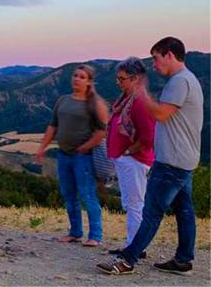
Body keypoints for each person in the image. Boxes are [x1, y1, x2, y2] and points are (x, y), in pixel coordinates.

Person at [97, 37, 203, 276]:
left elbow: (162, 115)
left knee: (151, 211)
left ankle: (127, 259)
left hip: (171, 162)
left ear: (169, 55)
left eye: (156, 58)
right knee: (184, 211)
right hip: (183, 159)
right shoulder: (188, 80)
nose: (153, 64)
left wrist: (143, 95)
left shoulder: (180, 81)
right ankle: (183, 259)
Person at [36, 64, 108, 247]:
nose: (77, 79)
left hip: (82, 157)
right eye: (75, 75)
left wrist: (85, 147)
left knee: (87, 194)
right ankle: (75, 232)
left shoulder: (95, 104)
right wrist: (42, 147)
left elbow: (102, 132)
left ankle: (95, 235)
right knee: (68, 194)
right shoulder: (63, 100)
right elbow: (53, 126)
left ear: (89, 82)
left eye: (82, 77)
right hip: (63, 154)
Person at [106, 57, 155, 257]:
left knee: (135, 203)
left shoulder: (140, 102)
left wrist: (129, 152)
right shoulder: (127, 99)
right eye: (118, 78)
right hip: (127, 160)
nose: (118, 82)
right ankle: (131, 244)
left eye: (122, 78)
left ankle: (135, 248)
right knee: (130, 202)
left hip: (135, 161)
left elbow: (149, 136)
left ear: (135, 79)